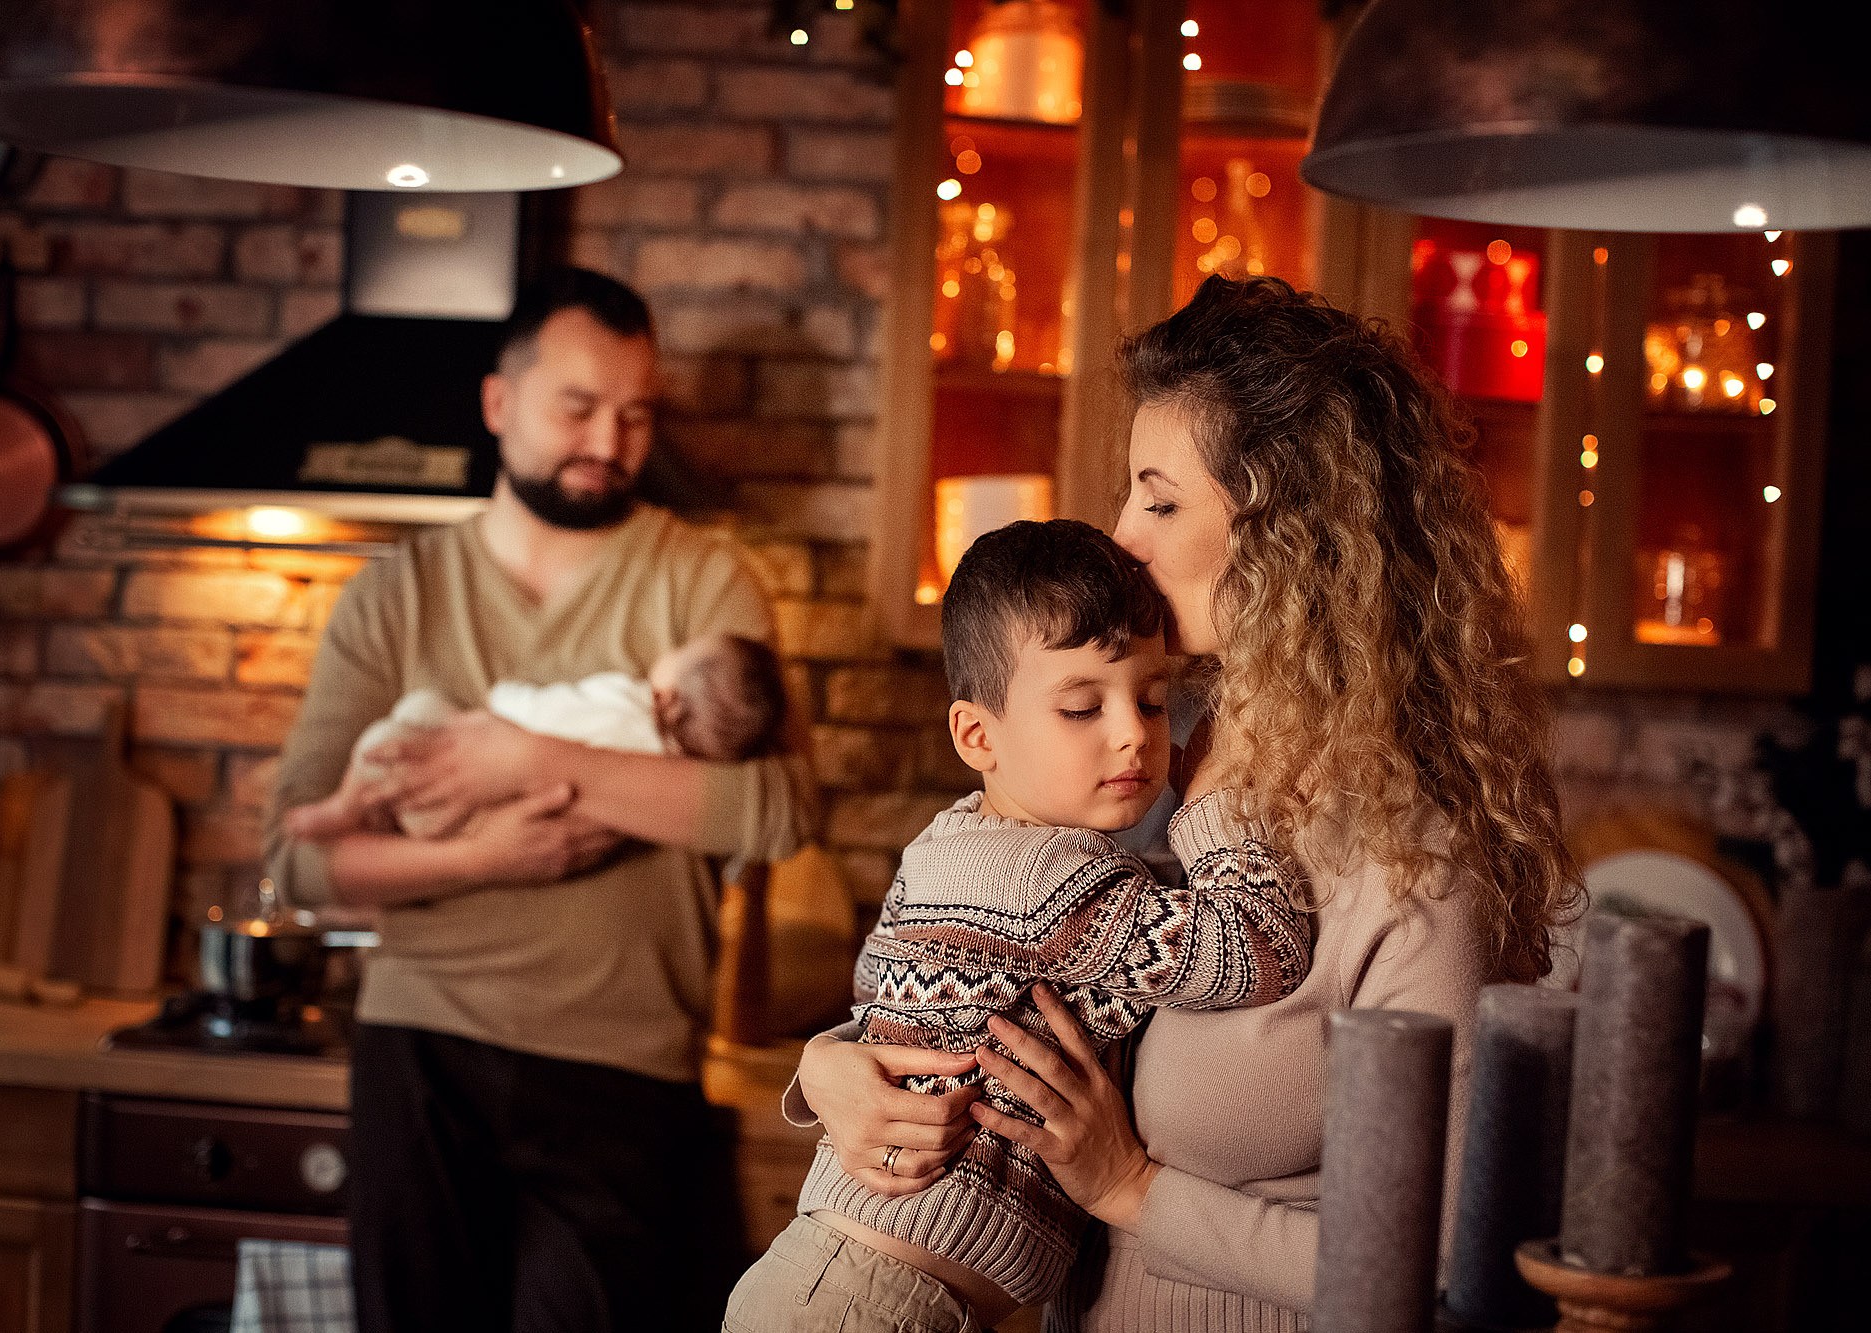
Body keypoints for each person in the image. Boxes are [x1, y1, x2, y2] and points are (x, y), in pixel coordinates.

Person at [786, 275, 1583, 1330]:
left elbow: (1439, 1257)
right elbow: (995, 958)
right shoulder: (1146, 763)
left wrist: (1130, 1188)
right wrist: (833, 1066)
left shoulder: (1409, 862)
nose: (1123, 537)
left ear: (1290, 532)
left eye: (1158, 499)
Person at [263, 265, 815, 1333]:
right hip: (420, 1053)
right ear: (498, 403)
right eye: (577, 407)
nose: (607, 441)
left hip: (621, 1068)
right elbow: (298, 857)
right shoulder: (397, 594)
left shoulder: (701, 580)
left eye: (633, 413)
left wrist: (524, 759)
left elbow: (778, 809)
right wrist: (481, 858)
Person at [725, 520, 1313, 1333]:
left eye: (1151, 698)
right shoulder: (1042, 878)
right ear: (977, 734)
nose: (1133, 732)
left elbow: (876, 998)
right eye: (1081, 707)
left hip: (862, 1287)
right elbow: (1252, 950)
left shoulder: (957, 843)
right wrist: (1218, 798)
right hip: (869, 1304)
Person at [320, 631, 788, 838]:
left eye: (681, 650)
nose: (668, 649)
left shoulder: (626, 700)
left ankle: (344, 805)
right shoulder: (667, 772)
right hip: (464, 823)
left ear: (671, 699)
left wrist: (502, 701)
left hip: (466, 776)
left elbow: (554, 712)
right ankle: (390, 813)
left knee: (413, 711)